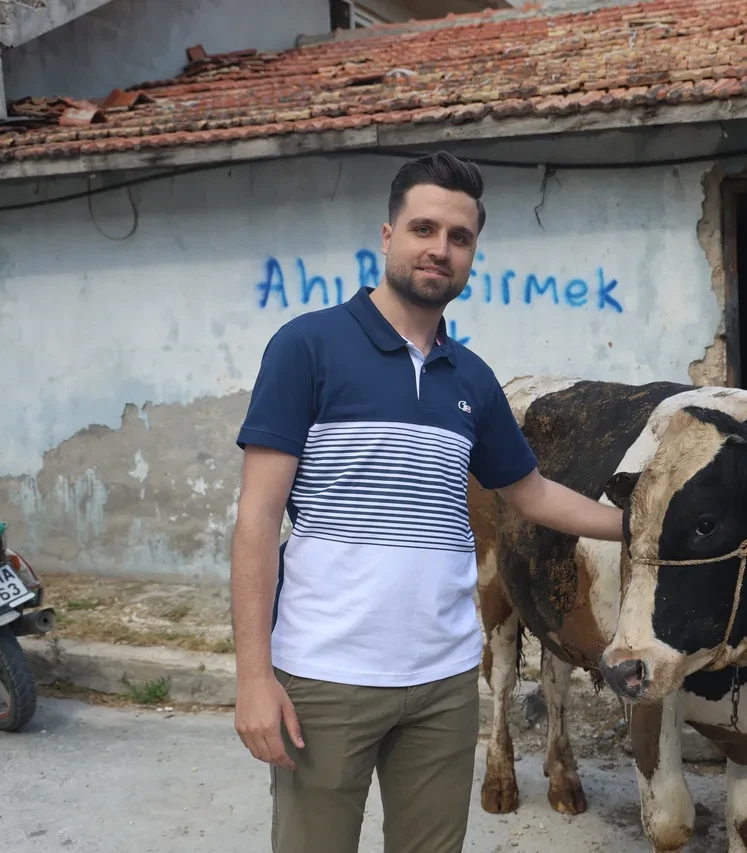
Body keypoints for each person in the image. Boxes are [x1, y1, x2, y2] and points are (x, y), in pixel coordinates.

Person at [229, 150, 625, 853]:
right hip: (327, 676)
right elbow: (257, 519)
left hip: (443, 682)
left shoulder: (470, 377)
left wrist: (640, 526)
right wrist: (255, 677)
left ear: (472, 254)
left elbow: (530, 492)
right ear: (388, 237)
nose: (439, 249)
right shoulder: (307, 348)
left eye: (459, 237)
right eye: (423, 229)